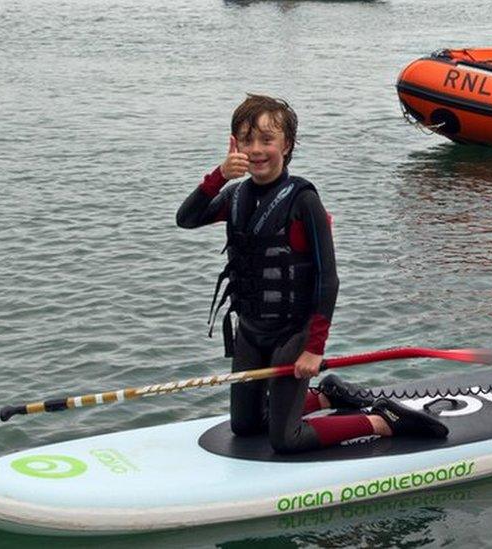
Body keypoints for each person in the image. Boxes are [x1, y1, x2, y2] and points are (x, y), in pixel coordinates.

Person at [177, 94, 447, 453]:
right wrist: (218, 176)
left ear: (286, 145)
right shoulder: (235, 196)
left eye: (267, 140)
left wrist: (313, 349)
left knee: (286, 440)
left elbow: (327, 278)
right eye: (247, 140)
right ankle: (325, 397)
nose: (256, 149)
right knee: (245, 426)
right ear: (235, 144)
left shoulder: (303, 201)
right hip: (251, 330)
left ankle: (382, 421)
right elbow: (187, 218)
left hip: (294, 334)